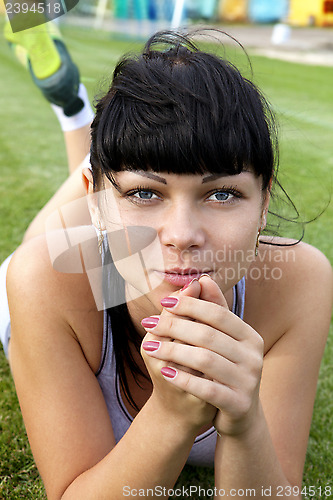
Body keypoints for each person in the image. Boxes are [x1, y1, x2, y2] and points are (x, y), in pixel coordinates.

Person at [1, 21, 332, 500]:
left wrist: (244, 425)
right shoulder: (45, 280)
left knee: (131, 187)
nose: (183, 236)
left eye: (222, 193)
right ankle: (83, 124)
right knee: (43, 241)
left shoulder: (298, 281)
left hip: (117, 232)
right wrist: (173, 414)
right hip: (90, 264)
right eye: (145, 192)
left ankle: (111, 154)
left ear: (264, 204)